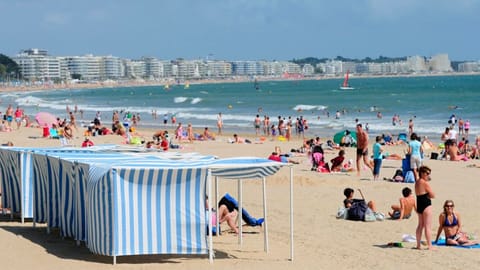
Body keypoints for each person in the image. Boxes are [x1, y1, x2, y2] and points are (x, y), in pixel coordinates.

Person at [415, 165, 435, 250]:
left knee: (420, 225)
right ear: (422, 173)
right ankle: (430, 245)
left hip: (419, 203)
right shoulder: (424, 183)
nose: (428, 175)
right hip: (426, 204)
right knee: (427, 226)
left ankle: (418, 244)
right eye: (427, 173)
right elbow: (433, 195)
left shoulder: (417, 182)